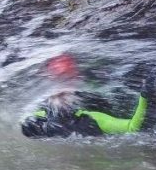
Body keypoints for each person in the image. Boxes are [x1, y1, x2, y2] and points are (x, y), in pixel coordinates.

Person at [20, 54, 148, 138]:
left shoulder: (92, 118)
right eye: (58, 81)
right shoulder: (39, 119)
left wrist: (144, 95)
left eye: (67, 80)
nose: (61, 90)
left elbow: (132, 128)